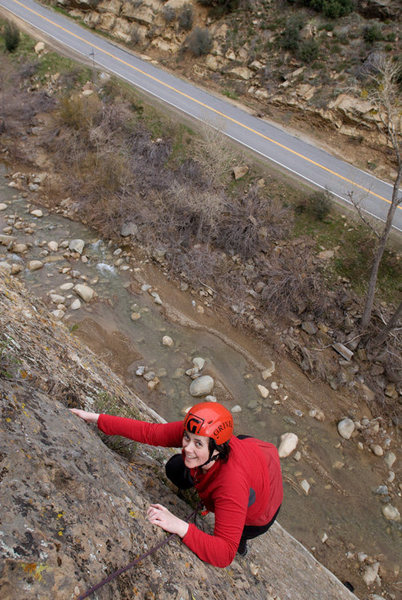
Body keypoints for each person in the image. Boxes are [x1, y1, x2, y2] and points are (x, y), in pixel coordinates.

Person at [70, 401, 283, 568]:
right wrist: (96, 418)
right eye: (186, 438)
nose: (188, 448)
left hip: (259, 512)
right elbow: (151, 432)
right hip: (254, 458)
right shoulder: (204, 435)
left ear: (217, 450)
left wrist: (179, 526)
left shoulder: (232, 485)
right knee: (176, 466)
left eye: (198, 444)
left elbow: (224, 553)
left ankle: (243, 542)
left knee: (238, 536)